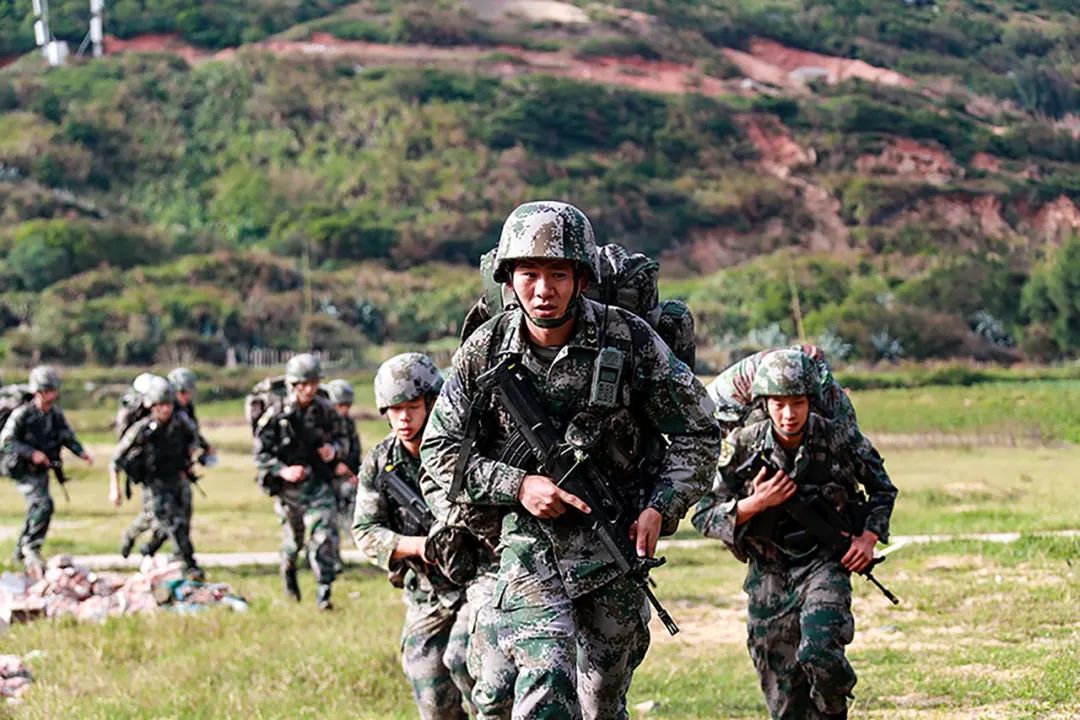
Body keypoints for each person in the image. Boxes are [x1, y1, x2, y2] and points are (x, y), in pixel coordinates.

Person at [421, 200, 720, 719]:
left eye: (558, 274)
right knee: (547, 684)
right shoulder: (484, 349)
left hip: (613, 546)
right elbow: (440, 449)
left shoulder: (628, 340)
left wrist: (661, 506)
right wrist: (518, 486)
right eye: (529, 274)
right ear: (509, 279)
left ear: (581, 279)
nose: (543, 289)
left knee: (602, 702)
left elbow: (699, 431)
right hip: (527, 549)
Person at [693, 349, 898, 720]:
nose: (789, 414)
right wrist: (756, 503)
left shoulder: (838, 438)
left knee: (820, 652)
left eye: (798, 403)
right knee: (782, 690)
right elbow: (704, 513)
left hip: (824, 564)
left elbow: (883, 488)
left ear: (812, 402)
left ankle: (832, 709)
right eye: (779, 404)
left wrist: (868, 539)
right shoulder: (742, 445)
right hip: (768, 571)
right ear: (765, 404)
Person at [353, 353, 474, 718]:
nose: (403, 418)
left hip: (477, 583)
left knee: (468, 665)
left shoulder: (463, 448)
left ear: (432, 403)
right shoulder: (380, 463)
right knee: (432, 698)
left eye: (411, 407)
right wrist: (419, 547)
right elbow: (365, 531)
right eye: (394, 409)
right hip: (427, 593)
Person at [253, 353, 347, 610]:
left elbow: (343, 438)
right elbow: (260, 454)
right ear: (293, 384)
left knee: (324, 535)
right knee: (294, 542)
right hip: (289, 490)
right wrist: (283, 470)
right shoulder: (276, 414)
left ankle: (324, 592)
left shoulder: (325, 410)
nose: (309, 389)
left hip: (318, 483)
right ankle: (288, 572)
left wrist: (334, 450)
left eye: (313, 383)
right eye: (303, 384)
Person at [109, 378, 205, 581]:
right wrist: (115, 489)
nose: (165, 410)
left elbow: (195, 440)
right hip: (154, 482)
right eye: (160, 405)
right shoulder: (142, 429)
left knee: (165, 519)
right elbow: (116, 459)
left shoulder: (181, 422)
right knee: (173, 521)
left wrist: (193, 456)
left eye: (168, 404)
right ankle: (190, 564)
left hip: (177, 477)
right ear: (152, 406)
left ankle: (144, 544)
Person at [0, 365, 93, 573]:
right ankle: (31, 548)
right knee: (44, 505)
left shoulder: (54, 415)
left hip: (41, 469)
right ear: (38, 392)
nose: (53, 395)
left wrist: (81, 453)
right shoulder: (23, 414)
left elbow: (67, 436)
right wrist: (31, 453)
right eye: (49, 390)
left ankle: (20, 552)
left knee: (37, 507)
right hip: (22, 469)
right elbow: (6, 442)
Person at [325, 378, 361, 567]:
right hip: (325, 478)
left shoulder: (348, 423)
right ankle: (328, 558)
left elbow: (355, 450)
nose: (344, 410)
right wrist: (334, 467)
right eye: (340, 405)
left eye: (347, 406)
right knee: (327, 519)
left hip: (346, 478)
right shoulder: (321, 423)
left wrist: (355, 473)